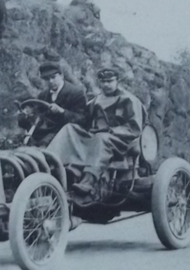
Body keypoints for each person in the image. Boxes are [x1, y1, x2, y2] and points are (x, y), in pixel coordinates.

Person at [46, 67, 144, 198]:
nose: (106, 85)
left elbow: (134, 128)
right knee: (70, 129)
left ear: (117, 81)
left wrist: (111, 130)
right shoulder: (96, 100)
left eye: (110, 81)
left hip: (120, 141)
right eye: (103, 82)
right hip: (96, 135)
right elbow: (84, 120)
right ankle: (50, 164)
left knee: (101, 138)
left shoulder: (129, 100)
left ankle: (89, 180)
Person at [17, 61, 88, 147]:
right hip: (45, 132)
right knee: (20, 141)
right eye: (46, 79)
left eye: (53, 77)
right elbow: (38, 118)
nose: (50, 81)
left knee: (44, 144)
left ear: (61, 75)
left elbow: (83, 119)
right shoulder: (43, 95)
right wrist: (27, 115)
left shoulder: (76, 93)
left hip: (65, 134)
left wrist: (62, 111)